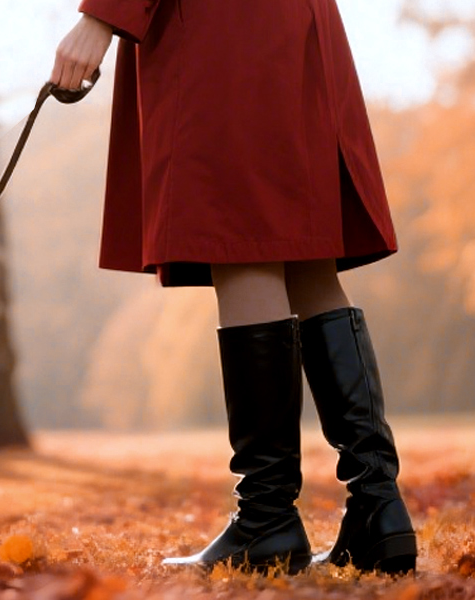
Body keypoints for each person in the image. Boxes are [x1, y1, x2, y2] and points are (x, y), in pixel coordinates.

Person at [50, 0, 417, 574]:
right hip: (293, 24)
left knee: (244, 240)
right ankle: (378, 507)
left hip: (225, 32)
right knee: (305, 255)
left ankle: (267, 518)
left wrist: (100, 16)